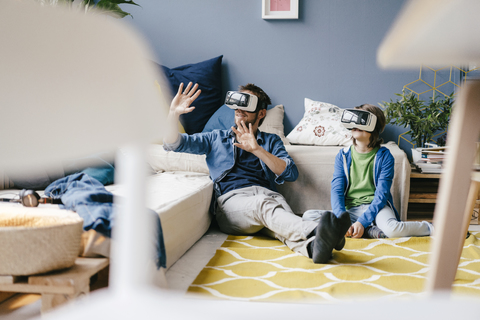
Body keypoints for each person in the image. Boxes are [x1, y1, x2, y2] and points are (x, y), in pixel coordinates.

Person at [163, 82, 323, 259]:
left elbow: (291, 173)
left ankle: (316, 249)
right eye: (237, 104)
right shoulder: (216, 138)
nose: (239, 109)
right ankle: (317, 228)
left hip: (270, 198)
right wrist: (173, 113)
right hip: (232, 202)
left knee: (282, 228)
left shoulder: (271, 141)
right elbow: (173, 143)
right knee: (265, 206)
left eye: (247, 105)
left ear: (261, 113)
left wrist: (257, 150)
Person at [308, 104, 433, 239]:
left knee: (393, 230)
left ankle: (430, 227)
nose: (356, 124)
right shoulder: (343, 155)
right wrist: (341, 219)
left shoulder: (385, 156)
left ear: (374, 127)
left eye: (361, 120)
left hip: (377, 209)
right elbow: (336, 190)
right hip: (351, 210)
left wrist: (362, 221)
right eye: (354, 120)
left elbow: (382, 194)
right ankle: (370, 231)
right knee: (308, 216)